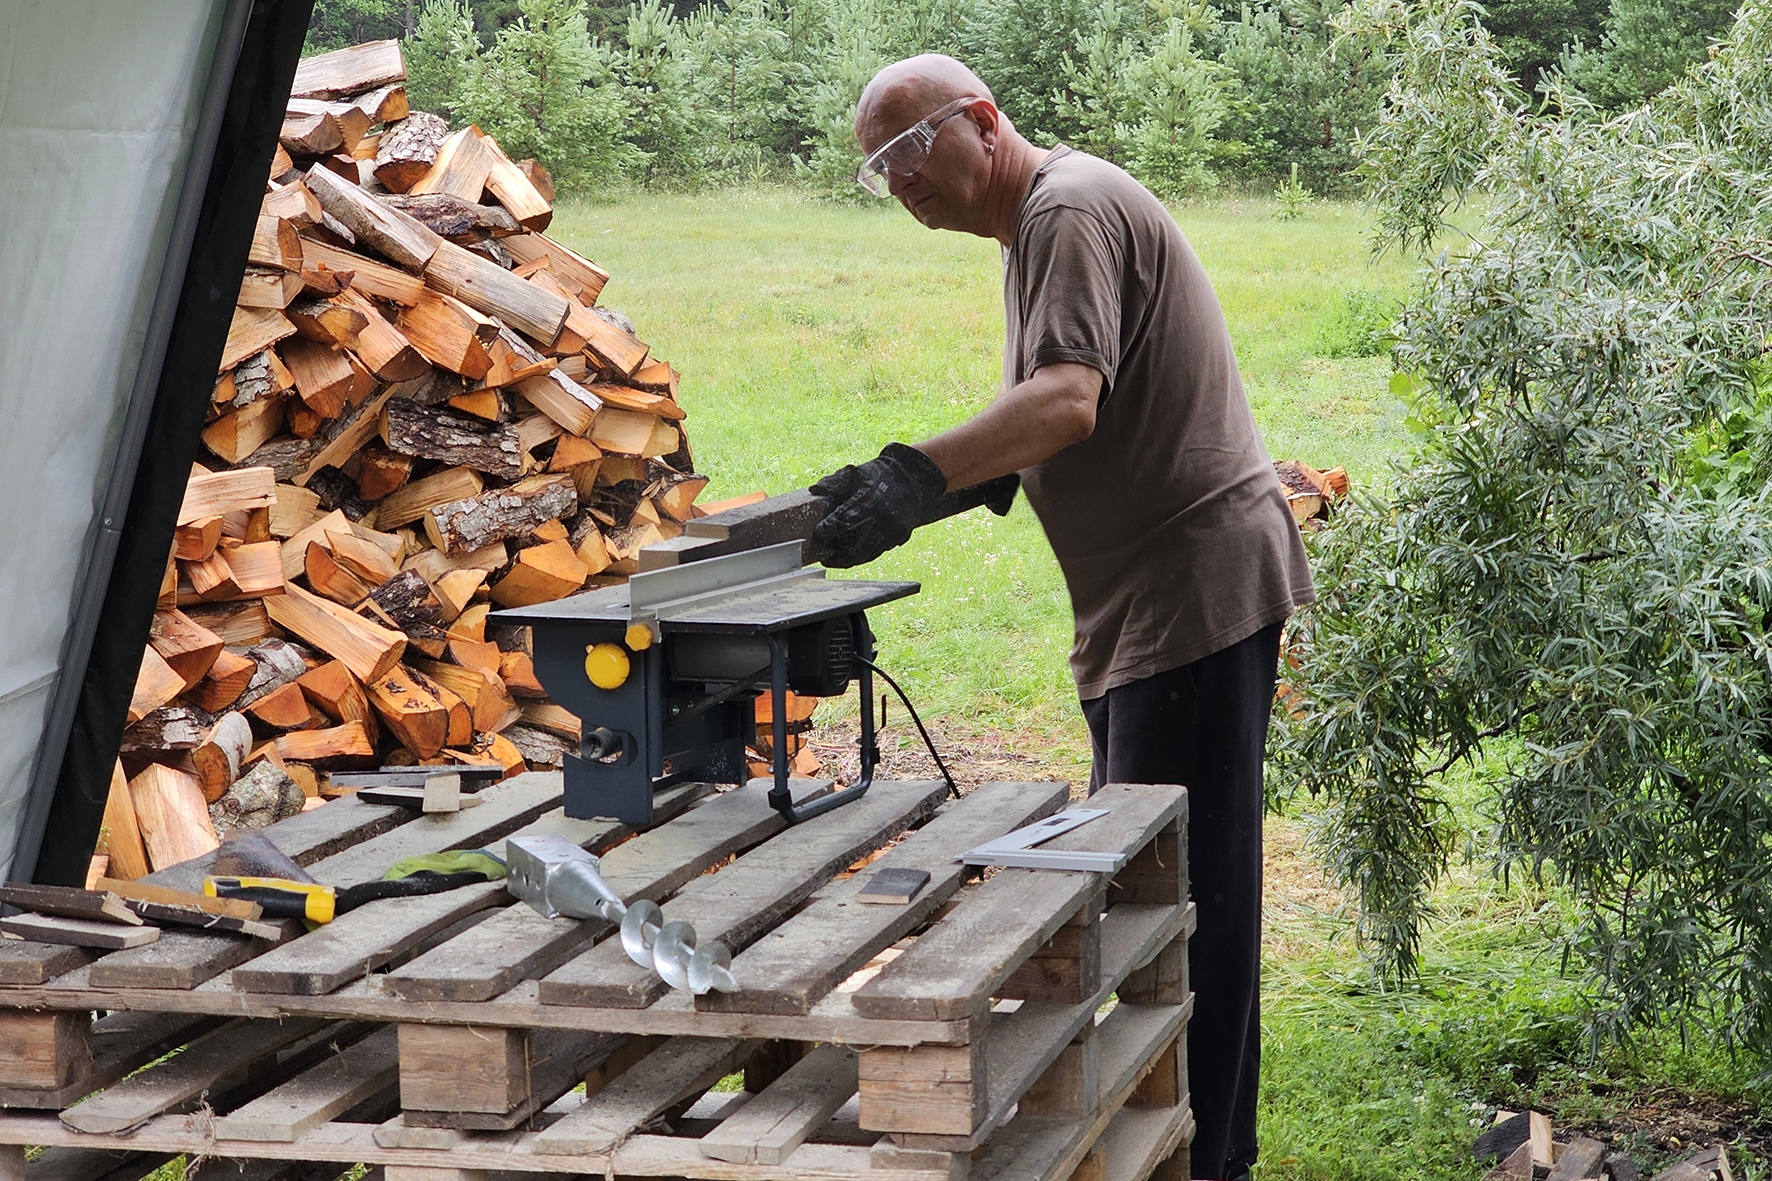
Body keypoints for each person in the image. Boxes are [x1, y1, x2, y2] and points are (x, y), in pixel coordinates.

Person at [806, 54, 1315, 1180]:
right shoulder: (1037, 223)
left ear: (983, 122)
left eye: (908, 148)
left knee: (1181, 898)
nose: (898, 180)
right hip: (1157, 600)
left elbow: (1068, 399)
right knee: (1161, 886)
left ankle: (1206, 1155)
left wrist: (913, 473)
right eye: (877, 169)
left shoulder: (1065, 209)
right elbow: (1058, 413)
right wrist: (923, 490)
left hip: (1189, 592)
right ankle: (1186, 1139)